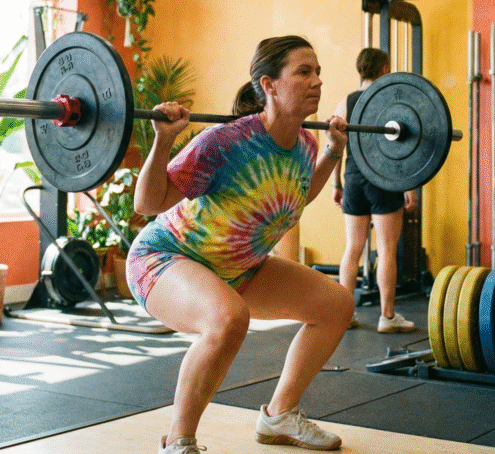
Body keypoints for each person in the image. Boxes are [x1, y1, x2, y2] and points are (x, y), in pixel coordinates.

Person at [126, 36, 354, 453]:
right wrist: (162, 139)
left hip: (238, 265)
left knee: (336, 305)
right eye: (303, 72)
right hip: (166, 259)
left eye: (318, 71)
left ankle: (280, 416)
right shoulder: (224, 142)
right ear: (269, 84)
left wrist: (334, 153)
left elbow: (297, 197)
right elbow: (146, 204)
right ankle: (178, 441)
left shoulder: (306, 143)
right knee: (228, 319)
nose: (316, 81)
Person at [332, 48, 418, 332]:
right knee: (387, 251)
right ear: (384, 69)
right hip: (384, 179)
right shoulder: (390, 102)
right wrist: (409, 187)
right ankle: (387, 317)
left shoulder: (345, 102)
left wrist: (337, 183)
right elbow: (403, 148)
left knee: (352, 248)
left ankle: (344, 315)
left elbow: (334, 143)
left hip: (354, 178)